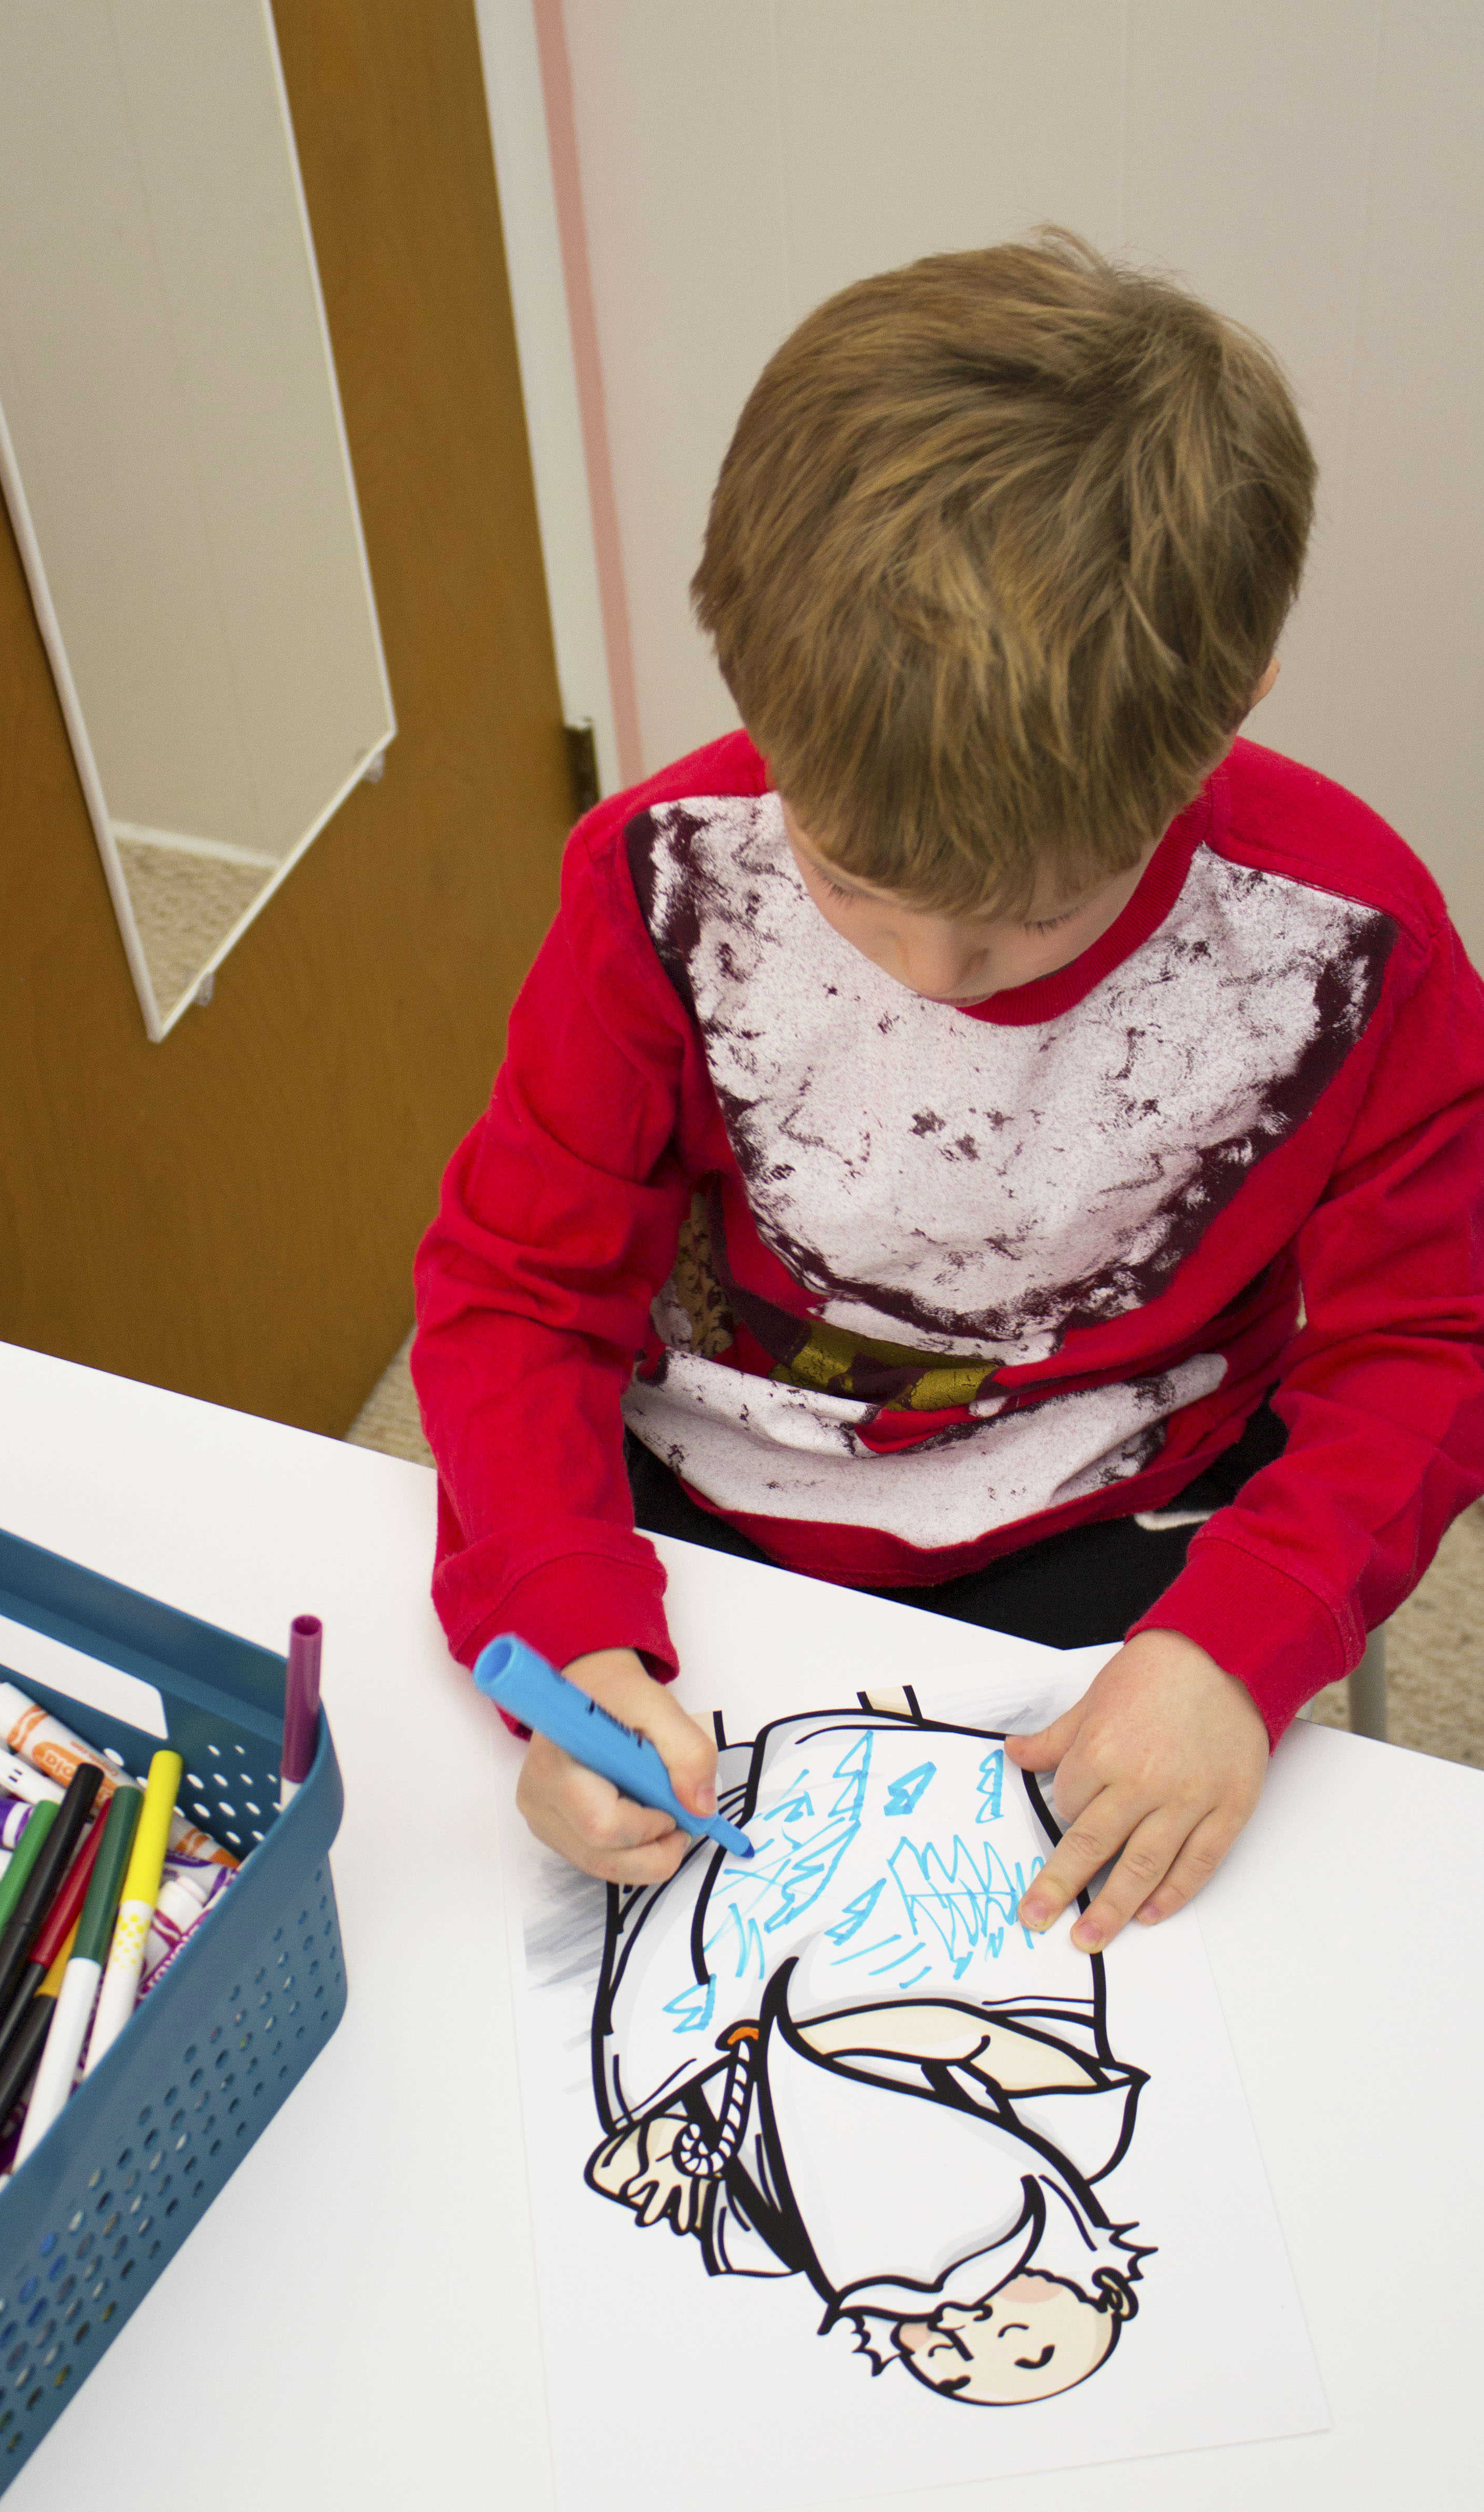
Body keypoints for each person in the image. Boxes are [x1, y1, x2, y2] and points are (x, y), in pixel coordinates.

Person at [411, 226, 1484, 1951]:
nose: (924, 978)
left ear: (1225, 718)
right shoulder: (662, 877)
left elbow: (1429, 1347)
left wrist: (1233, 1650)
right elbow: (515, 1289)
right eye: (850, 885)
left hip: (1128, 1502)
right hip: (711, 1493)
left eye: (1024, 920)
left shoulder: (1354, 949)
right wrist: (562, 1637)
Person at [583, 1706, 1152, 2404]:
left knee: (649, 2051)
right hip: (922, 1943)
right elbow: (969, 2032)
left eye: (956, 2371)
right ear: (1101, 2288)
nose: (976, 2343)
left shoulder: (773, 2246)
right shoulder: (1079, 2145)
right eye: (1031, 2352)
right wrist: (814, 2044)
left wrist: (666, 2136)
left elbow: (622, 2166)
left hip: (733, 1979)